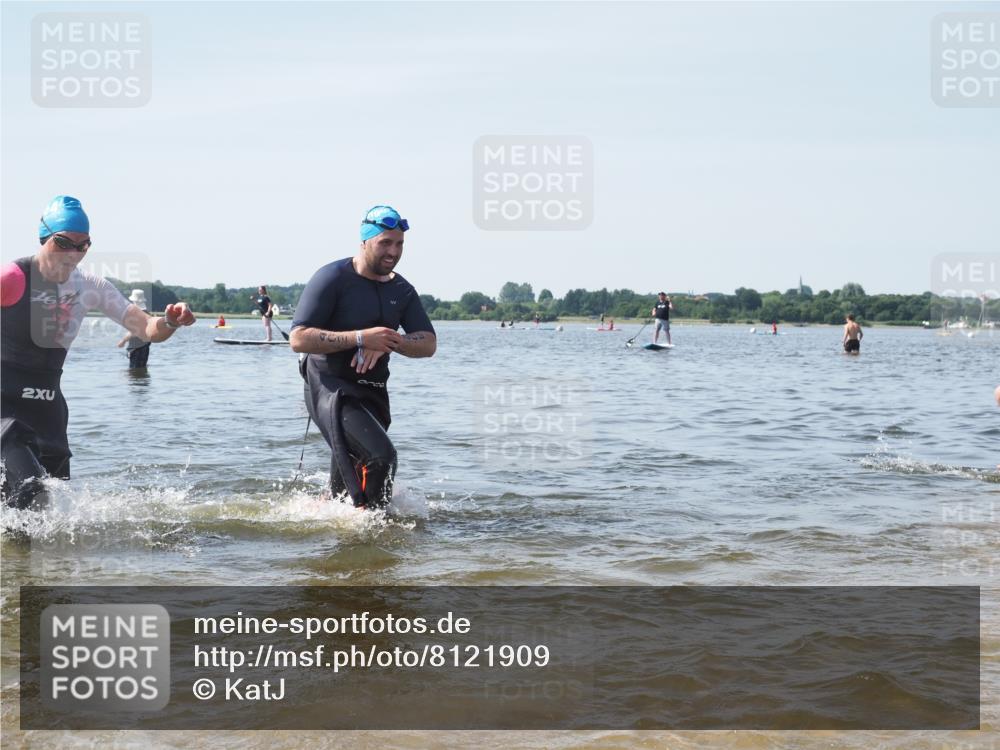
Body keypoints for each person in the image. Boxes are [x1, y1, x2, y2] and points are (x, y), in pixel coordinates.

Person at [1, 196, 195, 508]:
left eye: (83, 245)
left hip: (48, 408)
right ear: (44, 237)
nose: (73, 253)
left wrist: (170, 321)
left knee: (54, 515)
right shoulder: (13, 278)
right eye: (63, 242)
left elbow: (146, 328)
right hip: (5, 405)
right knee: (28, 496)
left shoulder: (90, 286)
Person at [290, 205, 436, 509]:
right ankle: (371, 539)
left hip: (372, 393)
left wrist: (388, 340)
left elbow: (428, 343)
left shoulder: (402, 289)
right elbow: (299, 337)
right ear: (365, 241)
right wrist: (360, 337)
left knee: (346, 489)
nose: (393, 252)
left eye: (399, 244)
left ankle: (332, 527)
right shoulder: (333, 278)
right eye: (385, 242)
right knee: (381, 457)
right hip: (330, 389)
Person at [116, 289, 152, 369]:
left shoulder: (136, 314)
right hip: (145, 347)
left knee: (134, 373)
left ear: (134, 301)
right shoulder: (147, 313)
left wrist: (123, 341)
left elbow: (134, 331)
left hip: (136, 349)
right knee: (142, 371)